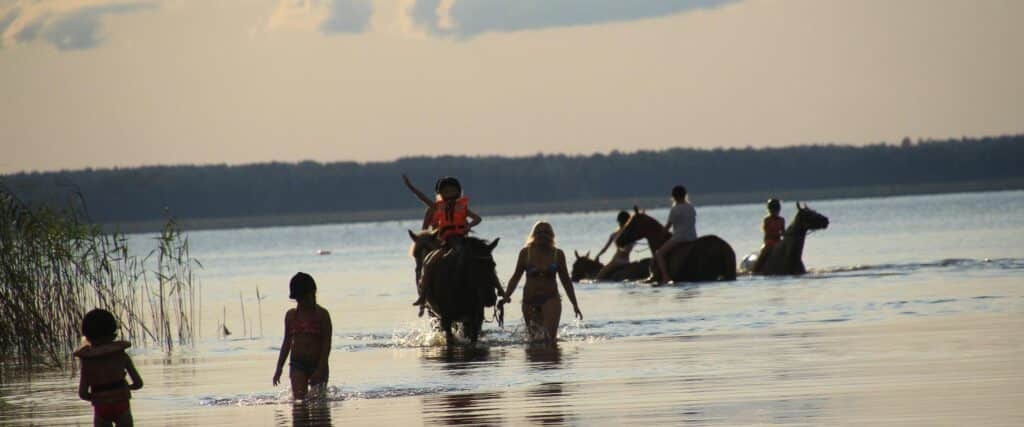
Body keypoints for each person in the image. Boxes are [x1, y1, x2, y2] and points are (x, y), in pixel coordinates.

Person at [405, 175, 482, 309]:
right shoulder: (436, 208)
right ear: (441, 194)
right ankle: (423, 296)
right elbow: (423, 198)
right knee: (428, 264)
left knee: (483, 259)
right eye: (446, 191)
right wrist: (411, 188)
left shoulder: (462, 208)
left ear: (458, 192)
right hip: (445, 244)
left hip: (462, 242)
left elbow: (477, 218)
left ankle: (496, 290)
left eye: (453, 191)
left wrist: (468, 227)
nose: (450, 194)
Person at [502, 221, 583, 344]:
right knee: (534, 340)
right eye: (539, 232)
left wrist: (575, 304)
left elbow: (566, 281)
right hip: (529, 299)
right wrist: (506, 296)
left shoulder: (558, 254)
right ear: (533, 235)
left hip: (551, 298)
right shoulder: (525, 253)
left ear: (551, 235)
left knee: (549, 340)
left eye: (546, 232)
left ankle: (550, 361)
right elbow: (515, 277)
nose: (542, 235)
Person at [75, 309, 143, 427]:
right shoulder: (121, 356)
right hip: (122, 407)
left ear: (87, 335)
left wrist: (98, 397)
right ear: (113, 331)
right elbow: (138, 383)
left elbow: (83, 393)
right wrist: (126, 388)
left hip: (101, 409)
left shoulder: (87, 361)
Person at [273, 272, 333, 401]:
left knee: (319, 403)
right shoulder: (291, 316)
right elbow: (286, 343)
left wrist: (321, 367)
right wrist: (279, 367)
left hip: (318, 363)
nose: (303, 303)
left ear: (313, 293)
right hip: (298, 364)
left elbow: (326, 344)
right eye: (299, 300)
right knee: (299, 401)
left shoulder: (322, 315)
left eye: (306, 298)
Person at [654, 185, 697, 284]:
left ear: (673, 196)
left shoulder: (675, 209)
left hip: (679, 238)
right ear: (685, 195)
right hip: (693, 237)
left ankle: (666, 277)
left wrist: (660, 235)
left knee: (659, 253)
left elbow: (667, 227)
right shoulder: (691, 207)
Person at [593, 211, 635, 280]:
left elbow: (605, 249)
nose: (620, 223)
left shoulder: (617, 234)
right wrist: (598, 255)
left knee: (599, 276)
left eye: (621, 221)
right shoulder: (630, 234)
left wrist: (598, 256)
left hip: (617, 261)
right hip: (626, 261)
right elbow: (605, 249)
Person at [753, 198, 785, 273]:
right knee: (765, 252)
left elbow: (783, 232)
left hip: (778, 241)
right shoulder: (767, 219)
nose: (775, 211)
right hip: (769, 241)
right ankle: (756, 269)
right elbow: (767, 231)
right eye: (773, 209)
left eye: (776, 209)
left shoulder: (782, 220)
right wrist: (777, 235)